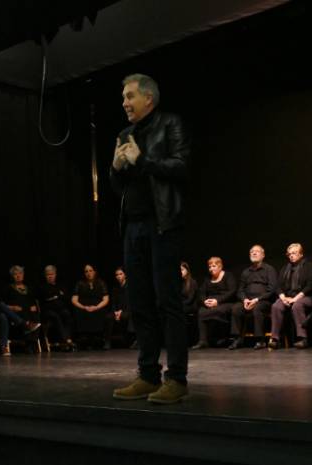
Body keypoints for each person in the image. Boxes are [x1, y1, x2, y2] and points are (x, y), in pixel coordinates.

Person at [110, 73, 190, 404]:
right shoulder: (124, 134)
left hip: (163, 224)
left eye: (130, 96)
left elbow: (181, 166)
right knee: (139, 303)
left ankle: (177, 379)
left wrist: (141, 160)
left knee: (167, 302)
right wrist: (116, 168)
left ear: (149, 98)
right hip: (133, 227)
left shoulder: (170, 124)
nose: (125, 103)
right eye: (123, 97)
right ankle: (147, 375)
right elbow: (120, 187)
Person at [269, 243, 312, 350]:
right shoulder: (285, 268)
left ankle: (303, 338)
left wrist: (295, 299)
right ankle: (275, 339)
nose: (291, 255)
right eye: (289, 254)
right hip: (288, 297)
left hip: (307, 296)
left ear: (301, 254)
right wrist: (283, 298)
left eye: (294, 253)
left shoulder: (308, 266)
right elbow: (278, 286)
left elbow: (311, 285)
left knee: (297, 305)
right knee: (276, 306)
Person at [229, 245, 277, 350]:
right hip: (248, 300)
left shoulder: (269, 269)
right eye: (251, 252)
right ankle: (237, 339)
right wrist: (244, 299)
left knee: (257, 308)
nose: (254, 253)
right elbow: (240, 290)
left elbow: (272, 289)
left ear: (263, 255)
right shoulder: (246, 272)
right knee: (236, 308)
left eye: (257, 251)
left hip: (264, 301)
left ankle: (260, 340)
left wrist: (257, 300)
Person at [192, 257, 237, 349]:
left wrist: (217, 301)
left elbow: (232, 291)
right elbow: (201, 292)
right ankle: (203, 340)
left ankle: (222, 338)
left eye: (213, 266)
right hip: (210, 302)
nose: (211, 269)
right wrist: (205, 301)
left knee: (219, 310)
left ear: (220, 267)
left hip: (225, 302)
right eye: (209, 267)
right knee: (201, 311)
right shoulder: (208, 278)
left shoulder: (228, 276)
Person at [1, 266, 42, 354]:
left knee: (36, 316)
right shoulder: (8, 288)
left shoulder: (29, 287)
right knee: (25, 315)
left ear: (23, 275)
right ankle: (28, 344)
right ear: (12, 276)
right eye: (15, 274)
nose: (18, 276)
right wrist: (12, 307)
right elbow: (3, 304)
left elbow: (34, 301)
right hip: (16, 313)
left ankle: (31, 343)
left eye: (20, 273)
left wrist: (34, 306)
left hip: (29, 311)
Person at [71, 264, 110, 347]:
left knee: (102, 313)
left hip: (98, 307)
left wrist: (96, 307)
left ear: (94, 272)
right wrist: (84, 307)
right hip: (83, 307)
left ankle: (99, 339)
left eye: (90, 271)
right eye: (86, 271)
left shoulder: (101, 282)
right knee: (79, 313)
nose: (88, 273)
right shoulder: (80, 283)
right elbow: (74, 300)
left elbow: (106, 299)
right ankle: (84, 340)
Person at [39, 265, 75, 351]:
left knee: (67, 314)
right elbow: (45, 298)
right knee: (55, 316)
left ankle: (68, 338)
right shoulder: (42, 287)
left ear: (55, 275)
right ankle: (66, 340)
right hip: (47, 311)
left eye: (52, 274)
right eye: (48, 274)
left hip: (60, 309)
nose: (50, 276)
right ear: (45, 276)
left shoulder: (60, 285)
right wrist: (57, 296)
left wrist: (55, 297)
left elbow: (65, 297)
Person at [105, 267, 134, 349]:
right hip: (117, 311)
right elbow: (114, 303)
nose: (118, 276)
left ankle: (129, 340)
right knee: (108, 317)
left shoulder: (130, 287)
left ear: (125, 275)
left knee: (126, 316)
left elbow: (130, 302)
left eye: (120, 274)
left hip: (128, 310)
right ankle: (107, 341)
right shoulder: (115, 288)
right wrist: (115, 312)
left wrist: (121, 312)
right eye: (117, 275)